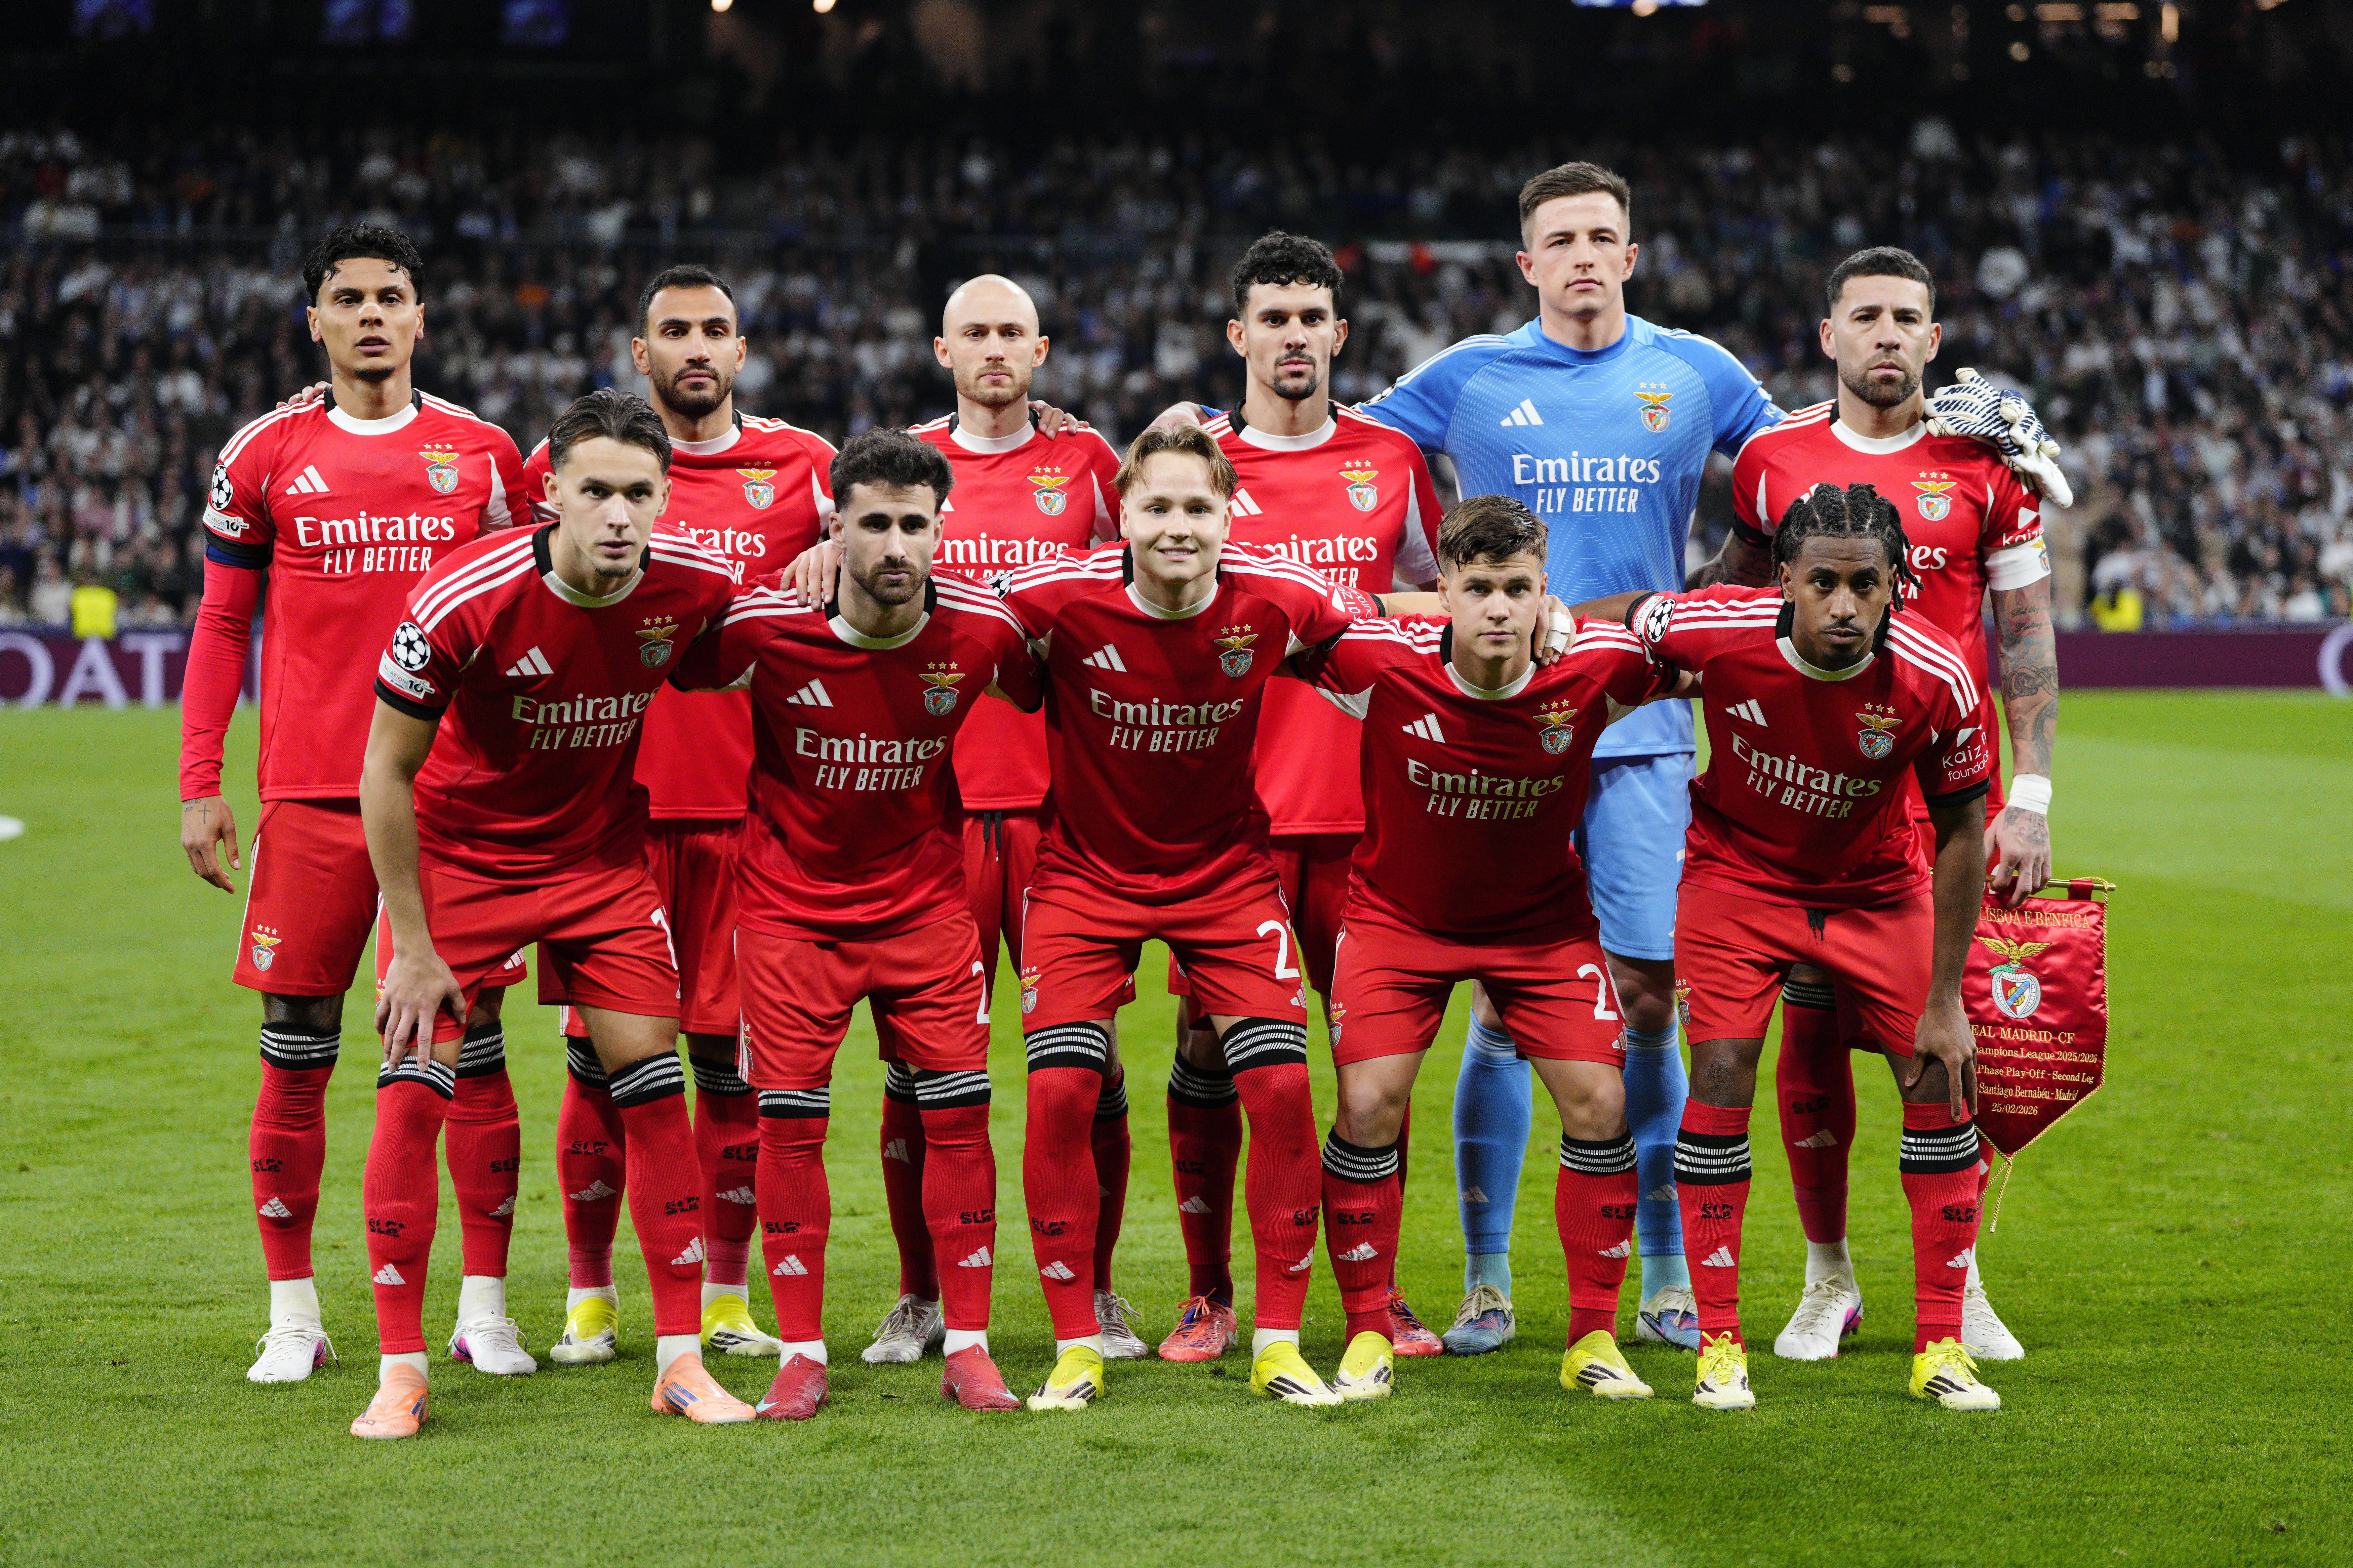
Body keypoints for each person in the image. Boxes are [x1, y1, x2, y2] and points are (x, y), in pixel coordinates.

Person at [353, 389, 750, 1437]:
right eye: (597, 492)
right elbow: (384, 773)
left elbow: (774, 638)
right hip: (460, 863)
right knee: (412, 1090)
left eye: (640, 494)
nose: (620, 514)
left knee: (656, 1089)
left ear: (666, 499)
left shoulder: (695, 587)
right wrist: (416, 947)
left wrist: (814, 567)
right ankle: (400, 1371)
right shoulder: (464, 598)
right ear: (551, 496)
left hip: (599, 864)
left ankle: (679, 1361)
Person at [177, 223, 531, 1385]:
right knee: (297, 1055)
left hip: (451, 805)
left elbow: (532, 620)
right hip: (314, 801)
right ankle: (293, 1314)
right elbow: (225, 624)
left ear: (423, 319)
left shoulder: (484, 456)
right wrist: (200, 785)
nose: (372, 315)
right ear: (314, 319)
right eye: (349, 298)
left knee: (466, 1055)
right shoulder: (265, 453)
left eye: (392, 297)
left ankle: (484, 1307)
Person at [994, 423, 1403, 1410]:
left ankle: (1275, 1340)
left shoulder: (1277, 600)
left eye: (1199, 508)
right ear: (1124, 513)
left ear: (1229, 517)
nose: (1180, 526)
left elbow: (1384, 642)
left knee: (1278, 1089)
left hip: (1225, 876)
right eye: (1161, 507)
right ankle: (1076, 1347)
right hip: (1085, 877)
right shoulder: (1051, 605)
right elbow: (943, 622)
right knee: (1058, 1095)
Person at [1696, 246, 2057, 1363]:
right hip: (1811, 796)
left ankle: (1965, 1282)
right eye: (1868, 317)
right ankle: (1828, 1277)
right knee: (1807, 1040)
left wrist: (2031, 795)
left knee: (1948, 1038)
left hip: (1945, 795)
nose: (1888, 335)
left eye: (1909, 317)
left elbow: (2028, 637)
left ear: (1935, 340)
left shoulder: (1989, 467)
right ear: (1829, 336)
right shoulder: (1771, 458)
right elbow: (1731, 597)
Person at [669, 428, 1041, 1418]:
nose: (894, 546)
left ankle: (969, 1344)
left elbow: (1055, 676)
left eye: (913, 525)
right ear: (835, 527)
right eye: (872, 522)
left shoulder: (983, 631)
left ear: (941, 529)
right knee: (789, 1127)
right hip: (792, 912)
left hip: (925, 906)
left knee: (959, 1115)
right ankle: (801, 1352)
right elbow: (679, 663)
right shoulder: (766, 625)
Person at [1617, 481, 2004, 1413]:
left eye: (1864, 585)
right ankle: (1719, 1345)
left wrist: (1946, 995)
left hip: (1875, 887)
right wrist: (1546, 618)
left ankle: (1943, 1344)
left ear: (1896, 584)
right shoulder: (1715, 627)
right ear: (1783, 578)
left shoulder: (1936, 674)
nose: (1843, 605)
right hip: (1739, 881)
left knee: (1939, 1074)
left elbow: (1960, 830)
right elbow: (1627, 622)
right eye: (1822, 582)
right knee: (1719, 1072)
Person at [1299, 495, 1692, 1403]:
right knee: (1367, 1102)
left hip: (1540, 929)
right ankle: (1367, 1331)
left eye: (1519, 588)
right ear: (1446, 591)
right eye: (1478, 588)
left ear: (1544, 590)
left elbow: (1702, 644)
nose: (1500, 609)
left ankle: (1593, 1335)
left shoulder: (1594, 672)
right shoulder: (1379, 665)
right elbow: (1275, 615)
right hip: (1400, 919)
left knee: (1600, 1099)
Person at [515, 265, 837, 1370]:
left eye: (715, 329)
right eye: (673, 331)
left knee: (735, 1069)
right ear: (639, 352)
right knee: (601, 1069)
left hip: (756, 819)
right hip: (614, 819)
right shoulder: (571, 470)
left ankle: (725, 1294)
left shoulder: (809, 469)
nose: (696, 346)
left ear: (742, 350)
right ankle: (593, 1294)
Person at [1161, 232, 1446, 1363]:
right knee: (1205, 1049)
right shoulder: (1191, 466)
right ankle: (1209, 1292)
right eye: (1270, 317)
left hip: (1374, 816)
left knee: (1377, 1064)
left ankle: (1376, 1300)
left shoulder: (1392, 461)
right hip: (1228, 818)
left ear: (1339, 333)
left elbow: (1435, 604)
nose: (1292, 335)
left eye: (1310, 317)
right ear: (1239, 336)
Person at [872, 275, 1135, 1366]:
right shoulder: (897, 472)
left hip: (1063, 811)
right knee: (916, 1068)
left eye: (1010, 334)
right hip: (924, 813)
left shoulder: (1090, 467)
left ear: (1041, 351)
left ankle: (1102, 1292)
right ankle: (921, 1294)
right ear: (943, 349)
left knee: (1088, 1063)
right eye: (973, 332)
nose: (992, 348)